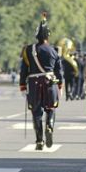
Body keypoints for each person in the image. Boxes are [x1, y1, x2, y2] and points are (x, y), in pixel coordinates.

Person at [19, 14, 63, 150]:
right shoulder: (54, 51)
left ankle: (39, 141)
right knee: (51, 108)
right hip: (50, 82)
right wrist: (60, 85)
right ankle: (49, 125)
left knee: (36, 112)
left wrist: (22, 85)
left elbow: (23, 69)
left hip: (34, 83)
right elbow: (59, 71)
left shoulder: (28, 50)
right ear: (48, 36)